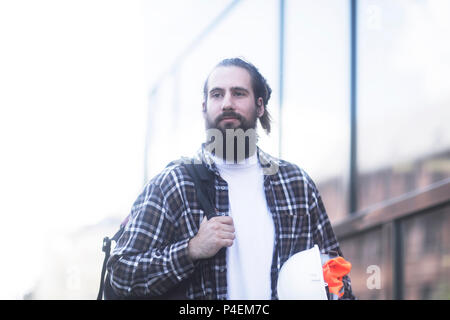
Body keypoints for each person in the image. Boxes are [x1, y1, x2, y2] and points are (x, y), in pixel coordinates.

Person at [106, 57, 355, 300]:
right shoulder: (173, 183)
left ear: (259, 105)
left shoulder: (296, 183)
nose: (227, 103)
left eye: (238, 93)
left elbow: (335, 270)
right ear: (204, 106)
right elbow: (121, 272)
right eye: (217, 94)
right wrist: (191, 249)